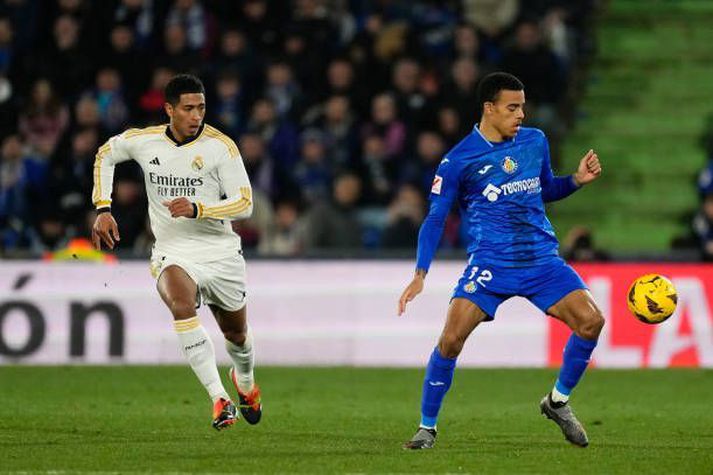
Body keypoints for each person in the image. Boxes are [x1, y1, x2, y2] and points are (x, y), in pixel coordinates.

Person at [398, 72, 603, 449]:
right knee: (451, 339)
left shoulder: (535, 141)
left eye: (523, 106)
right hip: (491, 264)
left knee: (591, 322)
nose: (521, 114)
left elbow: (545, 189)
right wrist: (420, 272)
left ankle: (557, 402)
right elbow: (435, 218)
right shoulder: (458, 160)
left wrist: (574, 180)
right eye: (512, 107)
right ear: (489, 109)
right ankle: (427, 428)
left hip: (542, 260)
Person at [90, 74, 262, 431]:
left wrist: (199, 208)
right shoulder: (146, 141)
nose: (196, 115)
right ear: (168, 109)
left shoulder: (221, 147)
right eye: (188, 108)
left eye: (201, 107)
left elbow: (245, 204)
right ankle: (219, 398)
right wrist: (103, 207)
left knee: (237, 336)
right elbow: (106, 153)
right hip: (173, 250)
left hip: (221, 252)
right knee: (180, 304)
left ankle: (244, 382)